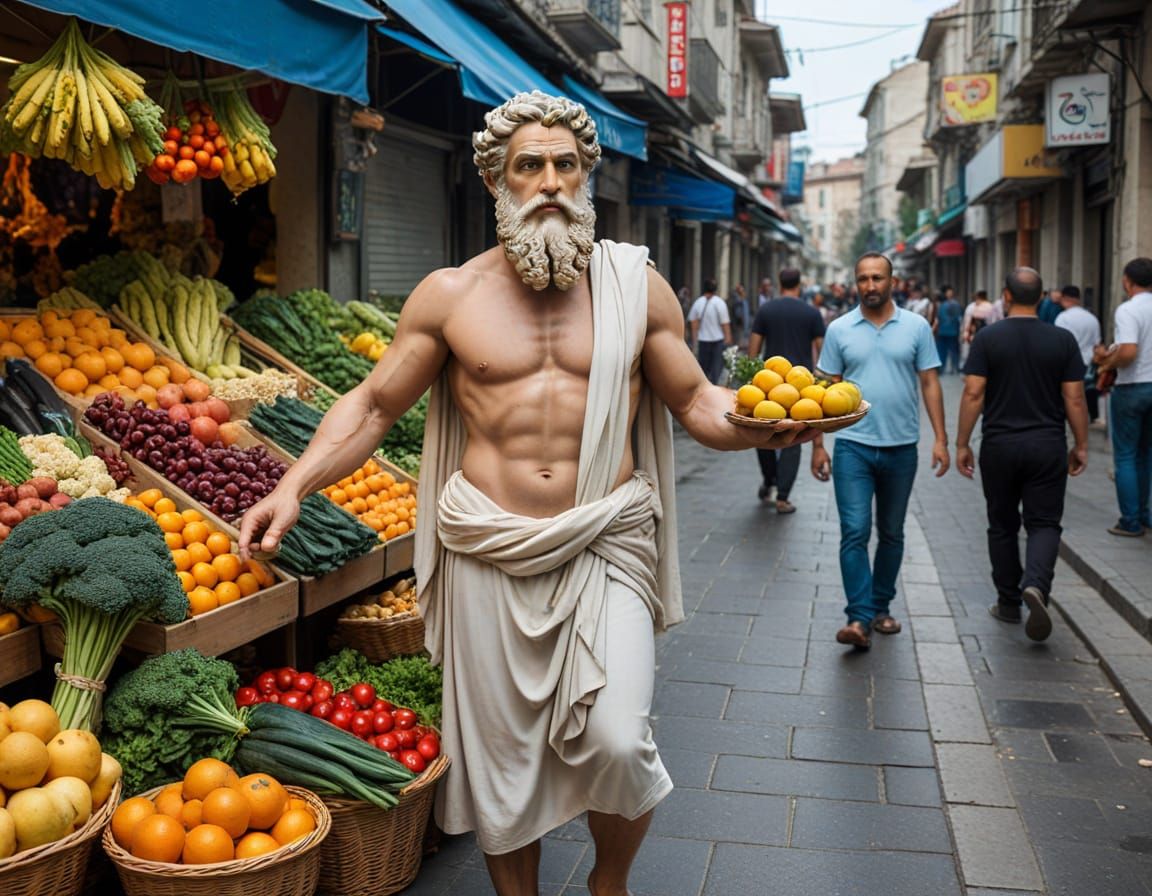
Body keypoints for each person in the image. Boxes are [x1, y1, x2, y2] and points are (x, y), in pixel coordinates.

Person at [238, 91, 807, 896]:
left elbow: (694, 400)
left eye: (565, 165)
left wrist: (758, 422)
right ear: (496, 182)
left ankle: (607, 882)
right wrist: (292, 484)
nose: (549, 181)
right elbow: (371, 405)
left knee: (617, 737)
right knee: (502, 760)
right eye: (529, 165)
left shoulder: (636, 288)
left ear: (587, 179)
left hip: (605, 542)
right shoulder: (450, 296)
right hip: (487, 548)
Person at [810, 252, 950, 649]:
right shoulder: (839, 329)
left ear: (892, 282)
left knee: (891, 533)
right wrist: (818, 445)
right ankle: (858, 618)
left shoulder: (916, 327)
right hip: (852, 446)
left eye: (877, 278)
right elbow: (822, 391)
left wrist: (940, 438)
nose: (870, 285)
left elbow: (930, 383)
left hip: (902, 446)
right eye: (863, 279)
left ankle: (881, 606)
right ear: (856, 283)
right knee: (854, 530)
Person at [956, 267, 1088, 642]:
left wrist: (962, 442)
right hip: (1047, 446)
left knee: (1002, 524)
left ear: (1006, 296)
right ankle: (1037, 586)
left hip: (999, 445)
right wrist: (1080, 444)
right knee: (1044, 523)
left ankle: (1009, 601)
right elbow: (1074, 398)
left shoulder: (988, 338)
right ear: (1042, 297)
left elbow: (972, 394)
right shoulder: (1062, 340)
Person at [748, 267, 825, 513]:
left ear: (779, 283)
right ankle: (783, 497)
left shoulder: (766, 310)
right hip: (798, 388)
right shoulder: (811, 313)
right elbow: (821, 351)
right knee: (792, 440)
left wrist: (752, 377)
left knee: (765, 433)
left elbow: (754, 348)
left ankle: (769, 480)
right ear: (799, 284)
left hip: (771, 386)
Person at [1094, 257, 1152, 536]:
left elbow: (1129, 352)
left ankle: (1130, 521)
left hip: (1133, 387)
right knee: (1147, 453)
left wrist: (1105, 364)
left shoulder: (1128, 310)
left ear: (1127, 281)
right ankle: (1145, 513)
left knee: (1127, 455)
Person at [1053, 285, 1102, 425]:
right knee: (1088, 392)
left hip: (1069, 363)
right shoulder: (1092, 318)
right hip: (1088, 362)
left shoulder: (1063, 318)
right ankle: (1092, 416)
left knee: (1070, 396)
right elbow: (1097, 344)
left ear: (1065, 298)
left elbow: (1059, 344)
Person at [687, 277, 731, 384]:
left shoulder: (698, 302)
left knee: (703, 370)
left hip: (703, 341)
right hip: (718, 341)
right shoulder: (720, 303)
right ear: (715, 289)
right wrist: (728, 338)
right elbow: (725, 324)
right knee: (716, 370)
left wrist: (694, 341)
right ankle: (715, 389)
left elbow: (693, 323)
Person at [935, 286, 963, 374]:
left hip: (946, 331)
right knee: (952, 350)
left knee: (944, 350)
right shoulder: (955, 305)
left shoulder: (943, 305)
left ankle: (943, 368)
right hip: (950, 331)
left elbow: (938, 318)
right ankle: (954, 367)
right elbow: (958, 318)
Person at [727, 283, 750, 351]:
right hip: (739, 325)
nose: (744, 292)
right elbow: (738, 314)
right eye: (742, 291)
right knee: (737, 344)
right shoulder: (738, 301)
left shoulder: (743, 300)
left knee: (740, 343)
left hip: (742, 326)